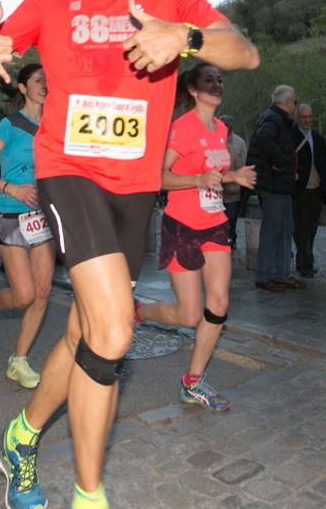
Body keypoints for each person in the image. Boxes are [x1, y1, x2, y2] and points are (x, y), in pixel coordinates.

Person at [0, 0, 258, 509]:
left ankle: (21, 435)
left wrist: (185, 37)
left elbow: (246, 53)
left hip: (136, 187)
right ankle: (89, 494)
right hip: (68, 171)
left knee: (89, 332)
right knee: (117, 332)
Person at [135, 63, 256, 411]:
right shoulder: (181, 128)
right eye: (209, 80)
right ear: (192, 89)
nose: (217, 85)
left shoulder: (220, 129)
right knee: (189, 315)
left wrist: (232, 175)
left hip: (215, 222)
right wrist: (197, 181)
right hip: (181, 226)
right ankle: (140, 312)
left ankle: (193, 380)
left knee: (218, 304)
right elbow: (159, 177)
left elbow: (211, 174)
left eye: (220, 80)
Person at [0, 64, 55, 390]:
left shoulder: (56, 127)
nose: (45, 85)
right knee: (23, 295)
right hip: (10, 213)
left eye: (47, 80)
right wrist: (11, 188)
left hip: (43, 217)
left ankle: (19, 360)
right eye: (37, 80)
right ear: (22, 88)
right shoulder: (10, 124)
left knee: (42, 293)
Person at [248, 85, 304, 293]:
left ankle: (280, 274)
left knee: (284, 229)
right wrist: (280, 161)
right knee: (273, 231)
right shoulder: (273, 118)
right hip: (274, 184)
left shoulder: (275, 118)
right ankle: (266, 276)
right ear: (288, 102)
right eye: (294, 102)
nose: (295, 106)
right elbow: (263, 140)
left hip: (280, 185)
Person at [291, 103, 326, 279]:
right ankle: (306, 264)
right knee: (301, 229)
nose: (308, 120)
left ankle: (304, 261)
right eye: (304, 117)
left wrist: (325, 184)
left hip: (316, 189)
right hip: (300, 190)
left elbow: (324, 163)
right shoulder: (291, 138)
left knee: (312, 229)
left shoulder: (318, 138)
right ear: (297, 119)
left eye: (310, 117)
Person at [217, 114, 248, 249]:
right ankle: (220, 241)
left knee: (231, 218)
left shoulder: (239, 143)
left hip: (233, 190)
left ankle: (231, 239)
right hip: (216, 190)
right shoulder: (213, 139)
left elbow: (244, 165)